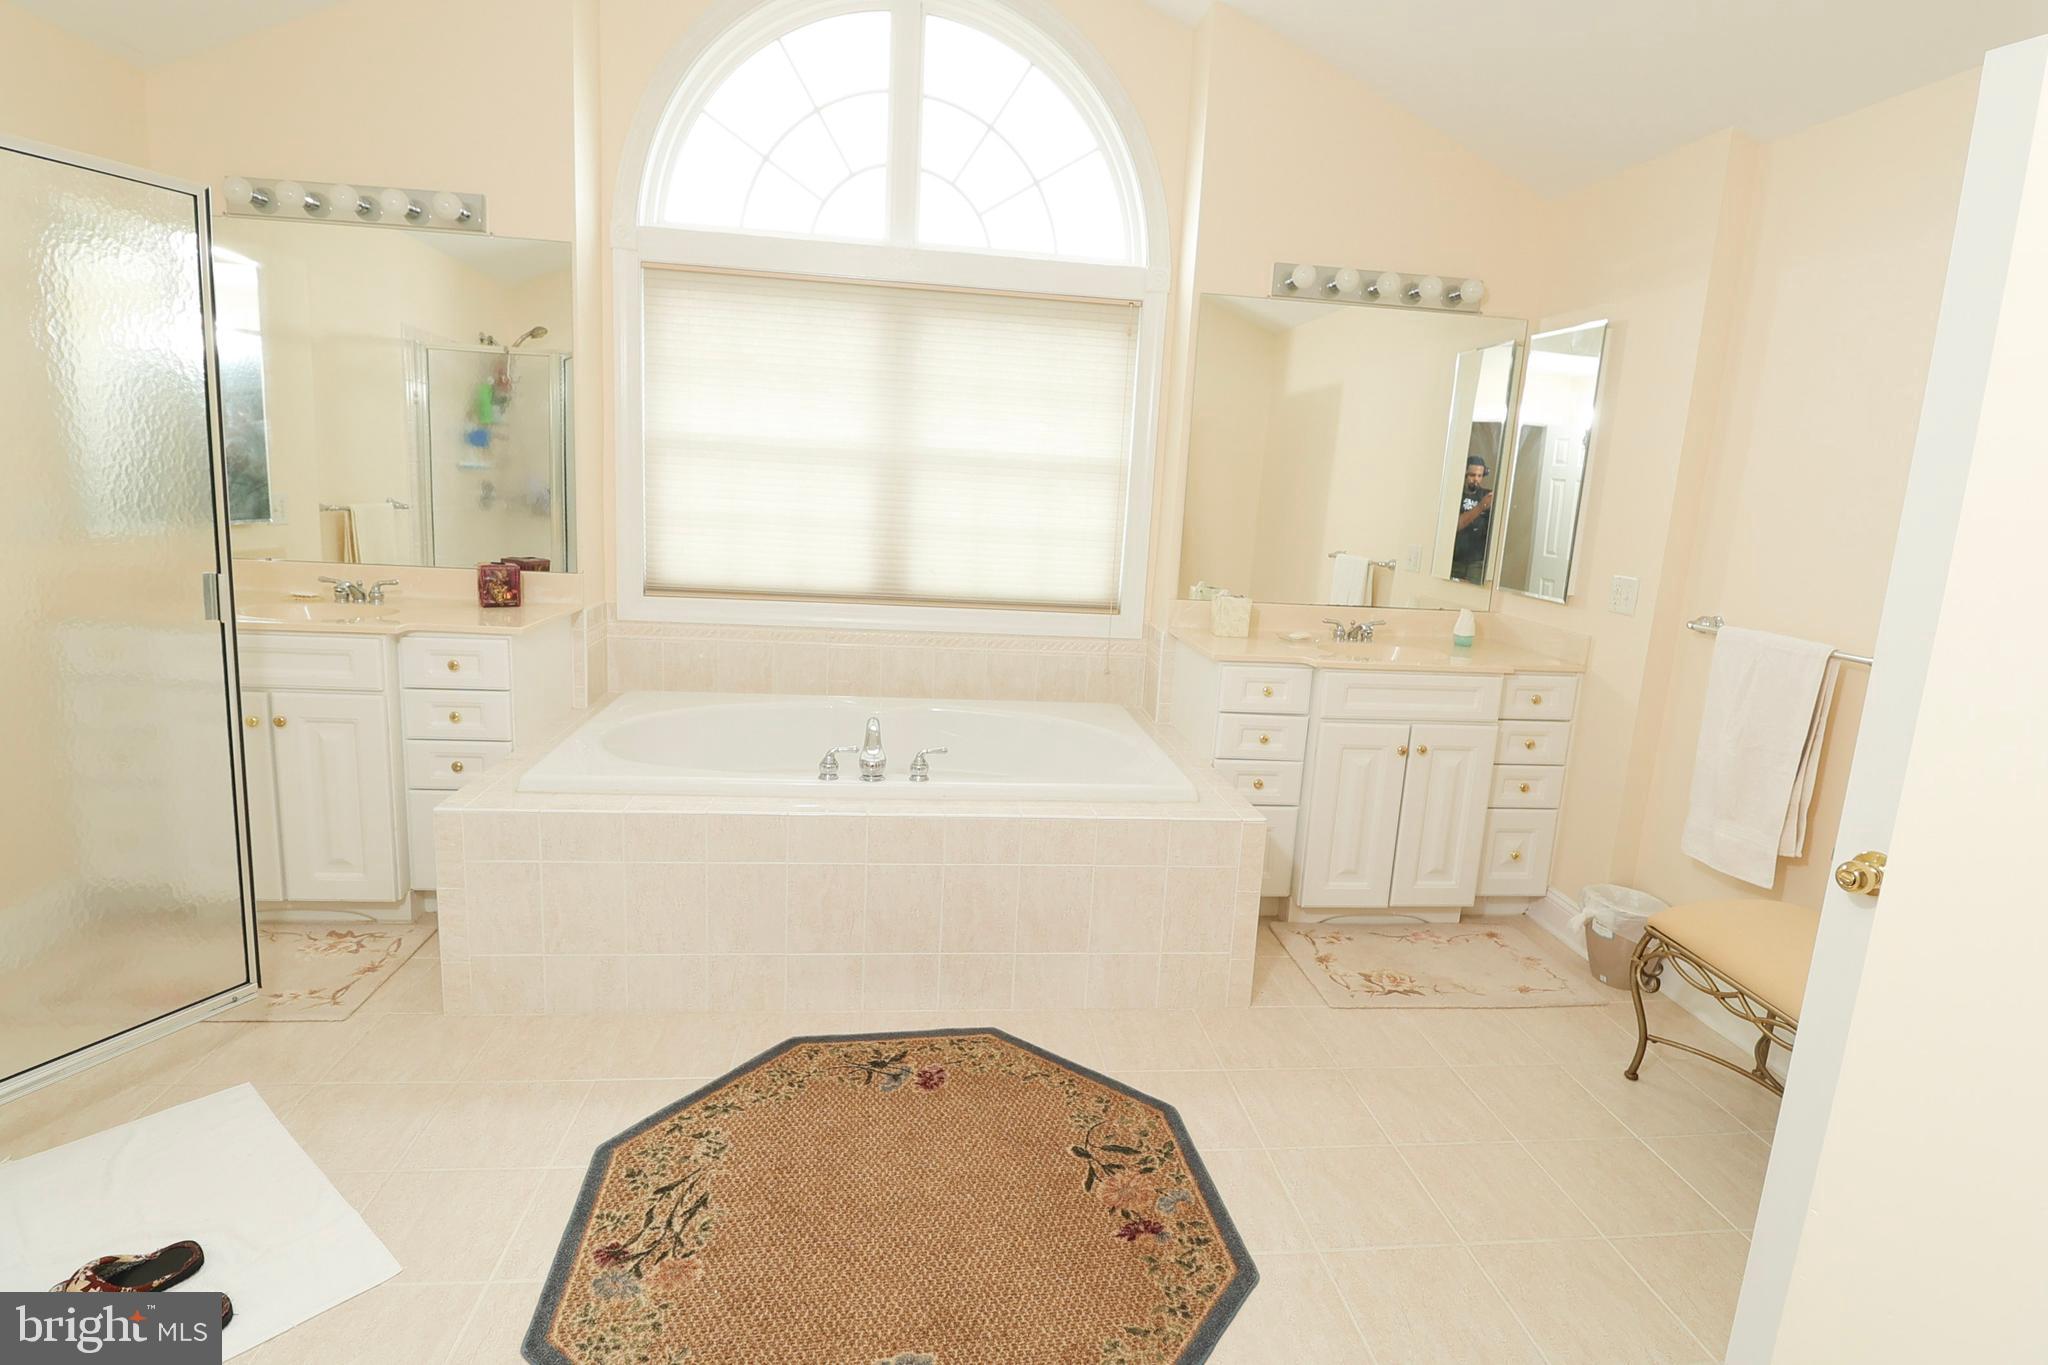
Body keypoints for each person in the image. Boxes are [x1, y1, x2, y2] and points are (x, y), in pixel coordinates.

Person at [1452, 455, 1494, 582]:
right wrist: (1481, 507)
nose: (1476, 479)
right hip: (1454, 559)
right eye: (1472, 475)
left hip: (1476, 562)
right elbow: (1456, 524)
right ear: (1465, 474)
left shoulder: (1487, 496)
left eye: (1479, 476)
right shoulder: (1456, 494)